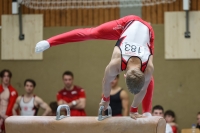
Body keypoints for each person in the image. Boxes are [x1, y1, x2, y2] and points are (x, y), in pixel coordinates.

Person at [35, 15, 155, 119]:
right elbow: (106, 81)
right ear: (124, 76)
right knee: (92, 33)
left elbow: (143, 87)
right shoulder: (117, 63)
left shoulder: (148, 67)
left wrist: (134, 109)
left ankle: (147, 112)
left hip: (148, 32)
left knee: (149, 80)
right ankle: (50, 42)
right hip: (128, 23)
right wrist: (105, 99)